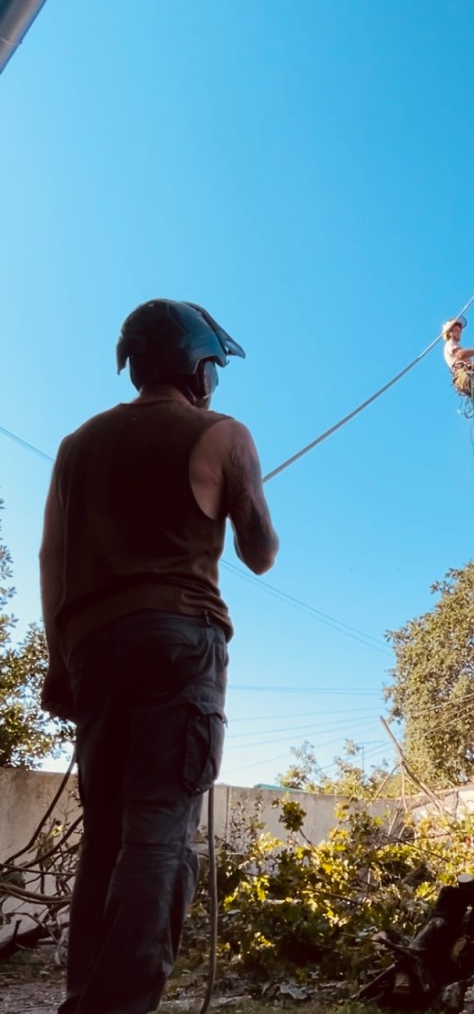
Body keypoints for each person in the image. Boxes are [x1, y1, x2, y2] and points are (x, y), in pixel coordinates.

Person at [39, 298, 279, 1014]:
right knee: (159, 834)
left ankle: (87, 1000)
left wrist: (60, 662)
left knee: (105, 838)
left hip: (93, 648)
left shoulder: (76, 445)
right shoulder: (223, 433)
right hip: (180, 642)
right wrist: (241, 492)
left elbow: (53, 557)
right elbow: (259, 553)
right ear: (198, 365)